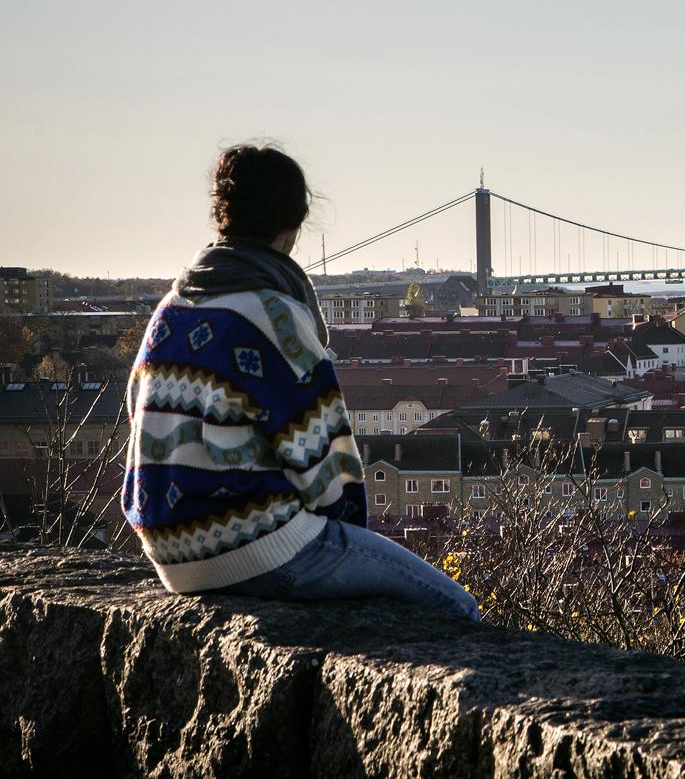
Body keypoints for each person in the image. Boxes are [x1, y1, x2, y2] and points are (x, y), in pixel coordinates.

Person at [121, 143, 478, 619]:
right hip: (256, 548)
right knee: (455, 606)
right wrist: (349, 537)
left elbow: (138, 416)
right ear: (293, 225)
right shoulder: (272, 315)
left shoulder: (171, 309)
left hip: (168, 555)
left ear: (222, 216)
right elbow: (324, 461)